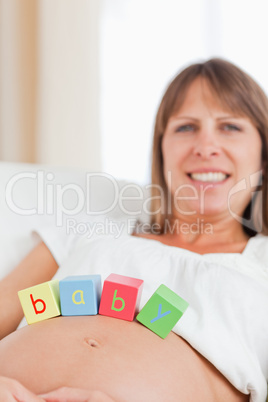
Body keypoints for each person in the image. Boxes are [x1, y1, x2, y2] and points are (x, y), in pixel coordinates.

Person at [0, 58, 267, 402]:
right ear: (161, 149)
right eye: (185, 127)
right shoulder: (88, 233)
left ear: (263, 156)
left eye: (230, 127)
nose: (205, 146)